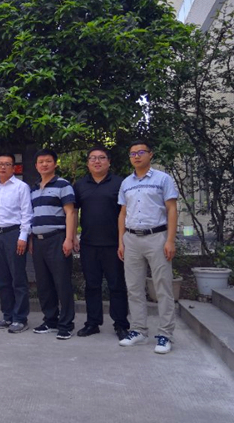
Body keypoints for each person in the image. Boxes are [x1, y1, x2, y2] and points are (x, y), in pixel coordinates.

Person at [118, 140, 178, 354]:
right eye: (132, 153)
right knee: (134, 288)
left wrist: (170, 240)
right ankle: (138, 330)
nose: (136, 156)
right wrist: (121, 241)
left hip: (157, 237)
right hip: (132, 239)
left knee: (162, 287)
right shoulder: (126, 182)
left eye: (141, 152)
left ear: (150, 154)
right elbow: (123, 213)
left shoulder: (163, 179)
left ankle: (165, 335)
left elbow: (172, 209)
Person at [73, 147, 130, 340]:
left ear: (109, 161)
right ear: (88, 163)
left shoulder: (120, 183)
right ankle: (92, 323)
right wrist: (73, 236)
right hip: (88, 244)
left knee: (117, 286)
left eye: (101, 158)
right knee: (92, 285)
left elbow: (125, 213)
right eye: (93, 158)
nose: (97, 161)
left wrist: (123, 241)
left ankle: (121, 324)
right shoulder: (80, 185)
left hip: (114, 244)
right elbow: (73, 212)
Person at [29, 148, 76, 340]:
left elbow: (71, 212)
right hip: (38, 241)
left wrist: (69, 238)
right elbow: (32, 215)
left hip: (57, 238)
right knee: (44, 283)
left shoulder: (63, 185)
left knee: (62, 282)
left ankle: (66, 324)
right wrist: (31, 239)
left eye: (48, 161)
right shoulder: (33, 188)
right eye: (40, 162)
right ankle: (50, 320)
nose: (44, 164)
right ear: (36, 166)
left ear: (55, 164)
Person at [0, 154, 33, 333]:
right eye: (0, 164)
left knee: (18, 278)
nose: (3, 167)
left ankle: (20, 318)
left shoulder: (21, 187)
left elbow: (27, 213)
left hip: (14, 234)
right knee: (2, 278)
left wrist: (23, 237)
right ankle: (7, 316)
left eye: (7, 164)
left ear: (14, 168)